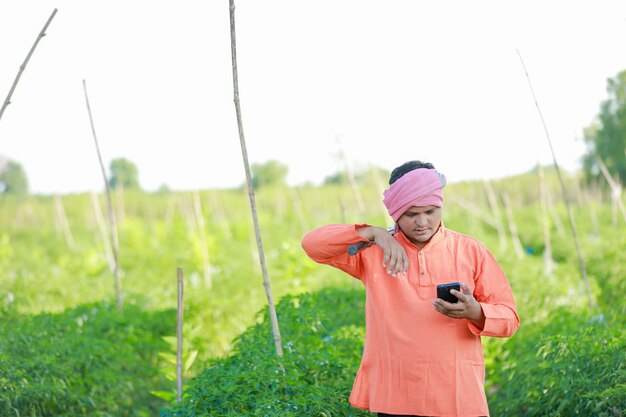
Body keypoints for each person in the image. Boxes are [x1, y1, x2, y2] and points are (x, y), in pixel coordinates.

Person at [301, 160, 520, 417]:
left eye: (430, 211)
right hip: (396, 398)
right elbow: (312, 244)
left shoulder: (471, 251)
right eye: (411, 214)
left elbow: (510, 319)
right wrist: (374, 233)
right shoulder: (373, 252)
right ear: (395, 213)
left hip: (458, 398)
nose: (422, 222)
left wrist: (475, 311)